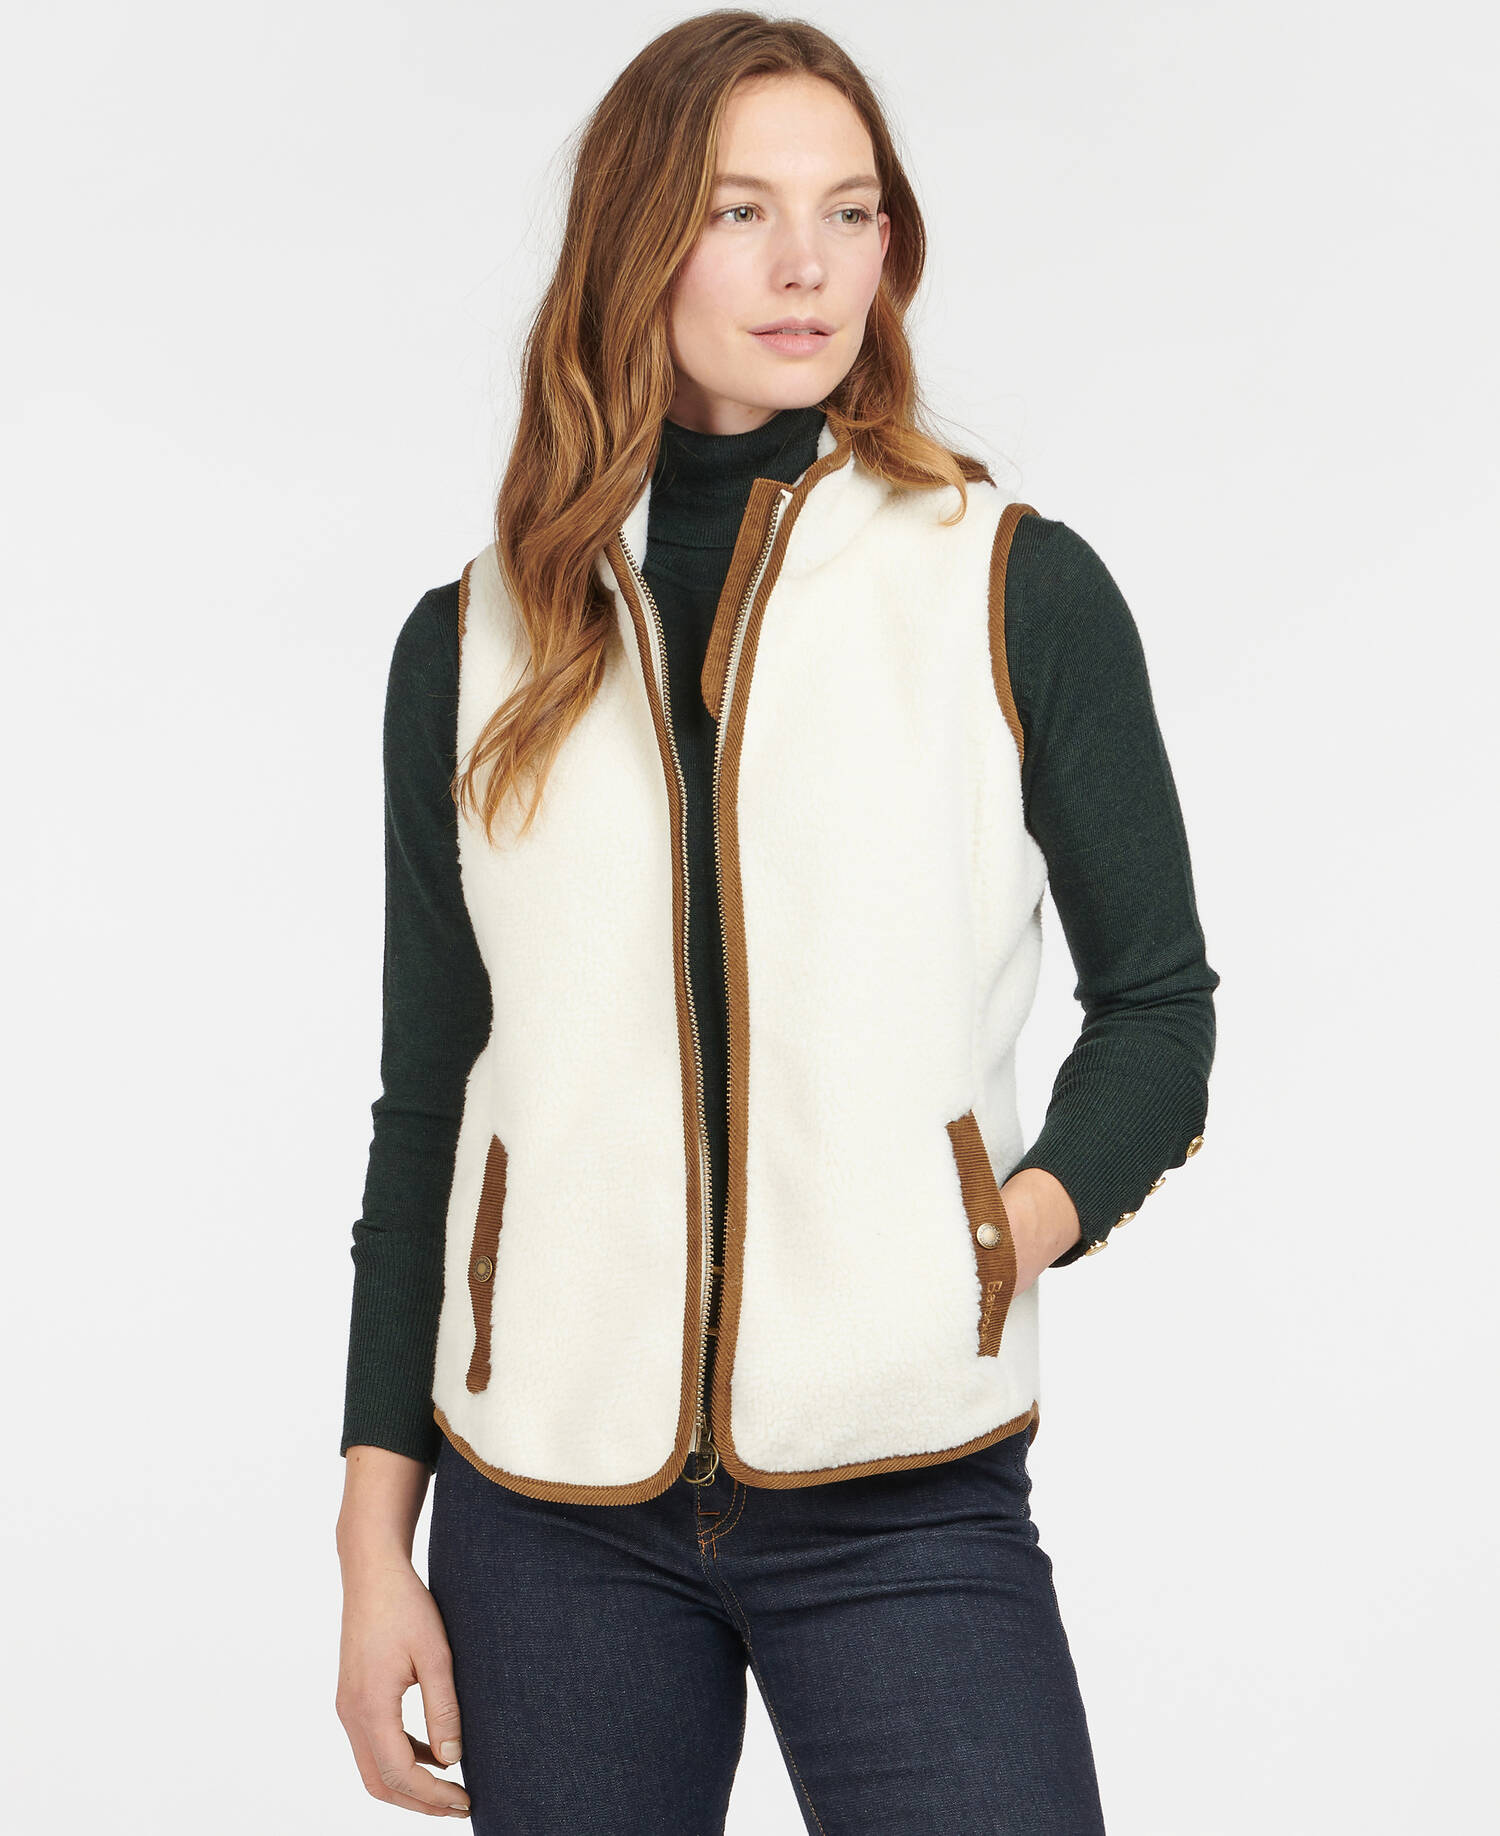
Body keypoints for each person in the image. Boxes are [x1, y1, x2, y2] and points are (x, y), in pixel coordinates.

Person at [335, 12, 1219, 1831]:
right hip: (544, 1514)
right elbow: (431, 1103)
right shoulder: (474, 641)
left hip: (903, 1491)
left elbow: (1161, 1008)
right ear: (639, 236)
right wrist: (372, 1545)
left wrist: (1006, 1231)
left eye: (850, 209)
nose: (807, 263)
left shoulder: (1006, 586)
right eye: (740, 210)